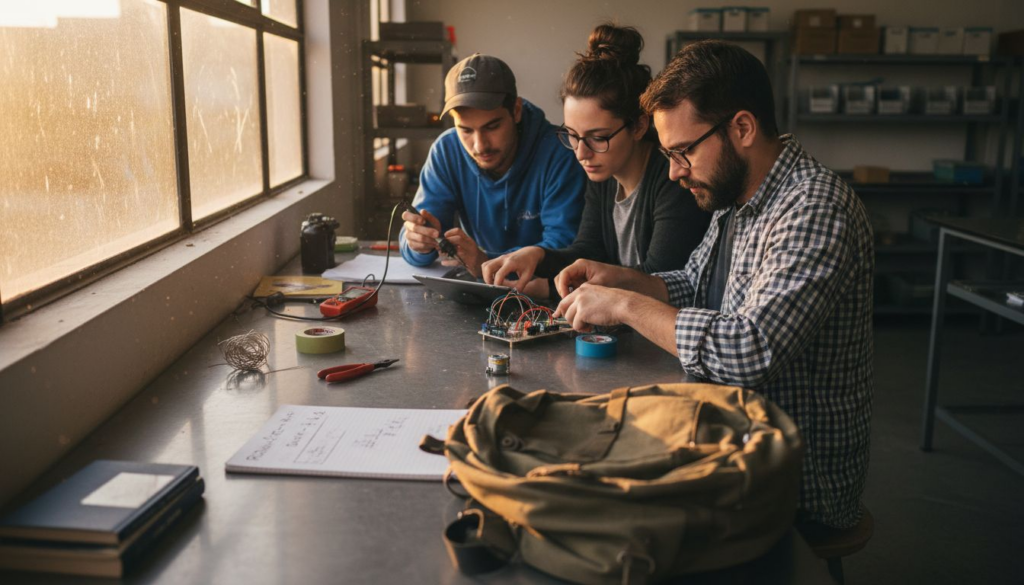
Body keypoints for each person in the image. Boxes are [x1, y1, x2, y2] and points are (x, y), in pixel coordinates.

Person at [553, 41, 874, 531]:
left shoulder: (814, 207)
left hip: (789, 481)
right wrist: (620, 279)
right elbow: (692, 284)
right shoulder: (735, 193)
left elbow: (749, 350)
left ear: (742, 128)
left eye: (682, 152)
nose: (676, 171)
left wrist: (624, 304)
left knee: (597, 518)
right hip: (730, 439)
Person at [480, 24, 710, 298]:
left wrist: (546, 288)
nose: (581, 153)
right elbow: (588, 252)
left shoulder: (672, 179)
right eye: (573, 136)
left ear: (638, 126)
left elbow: (659, 281)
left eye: (598, 138)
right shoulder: (604, 174)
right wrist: (537, 254)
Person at [399, 54, 586, 276]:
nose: (480, 146)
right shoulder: (446, 150)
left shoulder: (560, 151)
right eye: (465, 130)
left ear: (516, 111)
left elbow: (565, 249)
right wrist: (418, 243)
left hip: (551, 294)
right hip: (481, 286)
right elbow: (420, 234)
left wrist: (487, 262)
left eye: (492, 127)